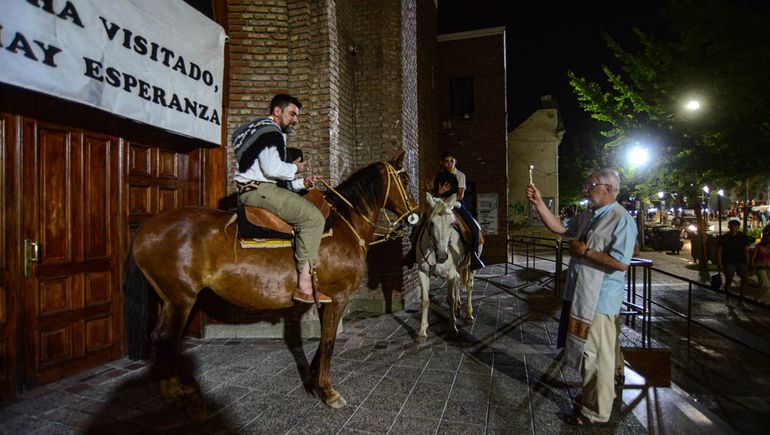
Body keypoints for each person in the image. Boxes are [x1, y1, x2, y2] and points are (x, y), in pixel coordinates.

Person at [526, 168, 637, 426]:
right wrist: (538, 202)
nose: (585, 189)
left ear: (608, 189)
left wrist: (585, 252)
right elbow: (559, 227)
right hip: (580, 294)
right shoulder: (588, 215)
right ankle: (591, 397)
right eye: (587, 184)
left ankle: (595, 412)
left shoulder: (621, 219)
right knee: (587, 352)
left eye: (591, 184)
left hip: (599, 299)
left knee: (598, 355)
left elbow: (621, 263)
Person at [232, 94, 330, 304]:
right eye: (292, 114)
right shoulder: (270, 131)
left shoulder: (260, 129)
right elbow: (272, 169)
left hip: (260, 187)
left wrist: (302, 182)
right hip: (259, 190)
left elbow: (268, 175)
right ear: (277, 111)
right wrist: (297, 168)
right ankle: (304, 286)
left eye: (297, 116)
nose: (296, 120)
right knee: (313, 218)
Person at [433, 152, 484, 270]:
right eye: (446, 161)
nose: (449, 164)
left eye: (452, 161)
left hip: (456, 205)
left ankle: (474, 256)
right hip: (440, 205)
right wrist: (439, 193)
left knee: (474, 227)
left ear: (455, 162)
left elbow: (460, 195)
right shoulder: (438, 176)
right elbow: (435, 194)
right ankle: (414, 253)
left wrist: (445, 199)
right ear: (442, 163)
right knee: (422, 222)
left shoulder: (460, 175)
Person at [717, 219, 751, 305]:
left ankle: (742, 299)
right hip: (729, 262)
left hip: (741, 261)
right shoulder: (724, 237)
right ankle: (728, 299)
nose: (733, 228)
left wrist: (748, 262)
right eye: (731, 226)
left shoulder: (742, 237)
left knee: (745, 280)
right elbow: (719, 251)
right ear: (729, 227)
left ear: (738, 227)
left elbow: (746, 250)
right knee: (729, 280)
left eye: (735, 226)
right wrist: (720, 263)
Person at [751, 234, 770, 304]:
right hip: (760, 267)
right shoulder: (758, 246)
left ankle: (766, 301)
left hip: (769, 268)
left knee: (767, 286)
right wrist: (752, 267)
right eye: (767, 238)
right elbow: (752, 258)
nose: (768, 240)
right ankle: (757, 299)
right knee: (766, 285)